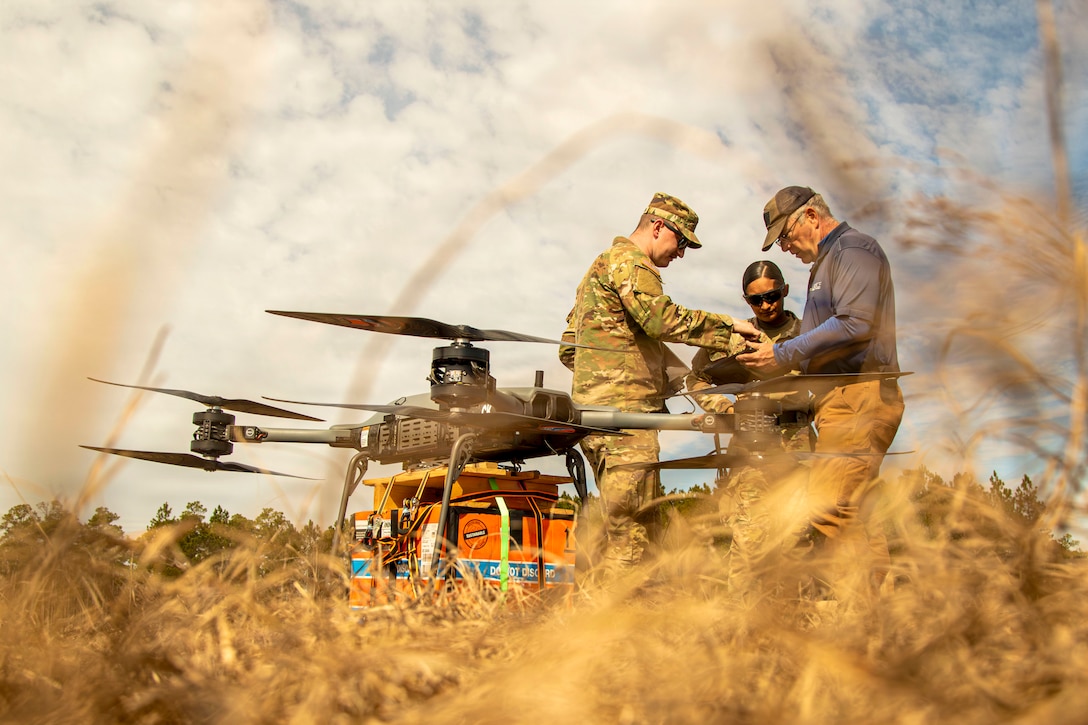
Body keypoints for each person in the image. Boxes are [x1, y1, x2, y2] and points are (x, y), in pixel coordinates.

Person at [559, 192, 760, 576]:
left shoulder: (595, 271)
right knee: (635, 537)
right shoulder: (632, 263)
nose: (680, 253)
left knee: (620, 530)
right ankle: (613, 629)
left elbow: (570, 349)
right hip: (627, 421)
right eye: (680, 241)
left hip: (592, 419)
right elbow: (661, 320)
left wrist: (626, 365)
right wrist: (727, 328)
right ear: (657, 227)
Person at [738, 185, 904, 597]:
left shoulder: (853, 250)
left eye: (785, 235)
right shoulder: (828, 262)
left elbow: (856, 323)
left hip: (858, 394)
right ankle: (876, 607)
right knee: (852, 506)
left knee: (831, 503)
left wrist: (784, 353)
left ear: (811, 217)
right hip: (840, 400)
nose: (784, 246)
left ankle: (864, 608)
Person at [686, 260, 809, 592]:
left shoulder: (806, 335)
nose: (766, 306)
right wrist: (725, 408)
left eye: (772, 296)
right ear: (746, 301)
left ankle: (795, 620)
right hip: (748, 447)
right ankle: (740, 622)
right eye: (757, 300)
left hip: (795, 446)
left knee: (796, 533)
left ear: (784, 291)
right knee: (749, 536)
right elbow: (695, 378)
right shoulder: (734, 338)